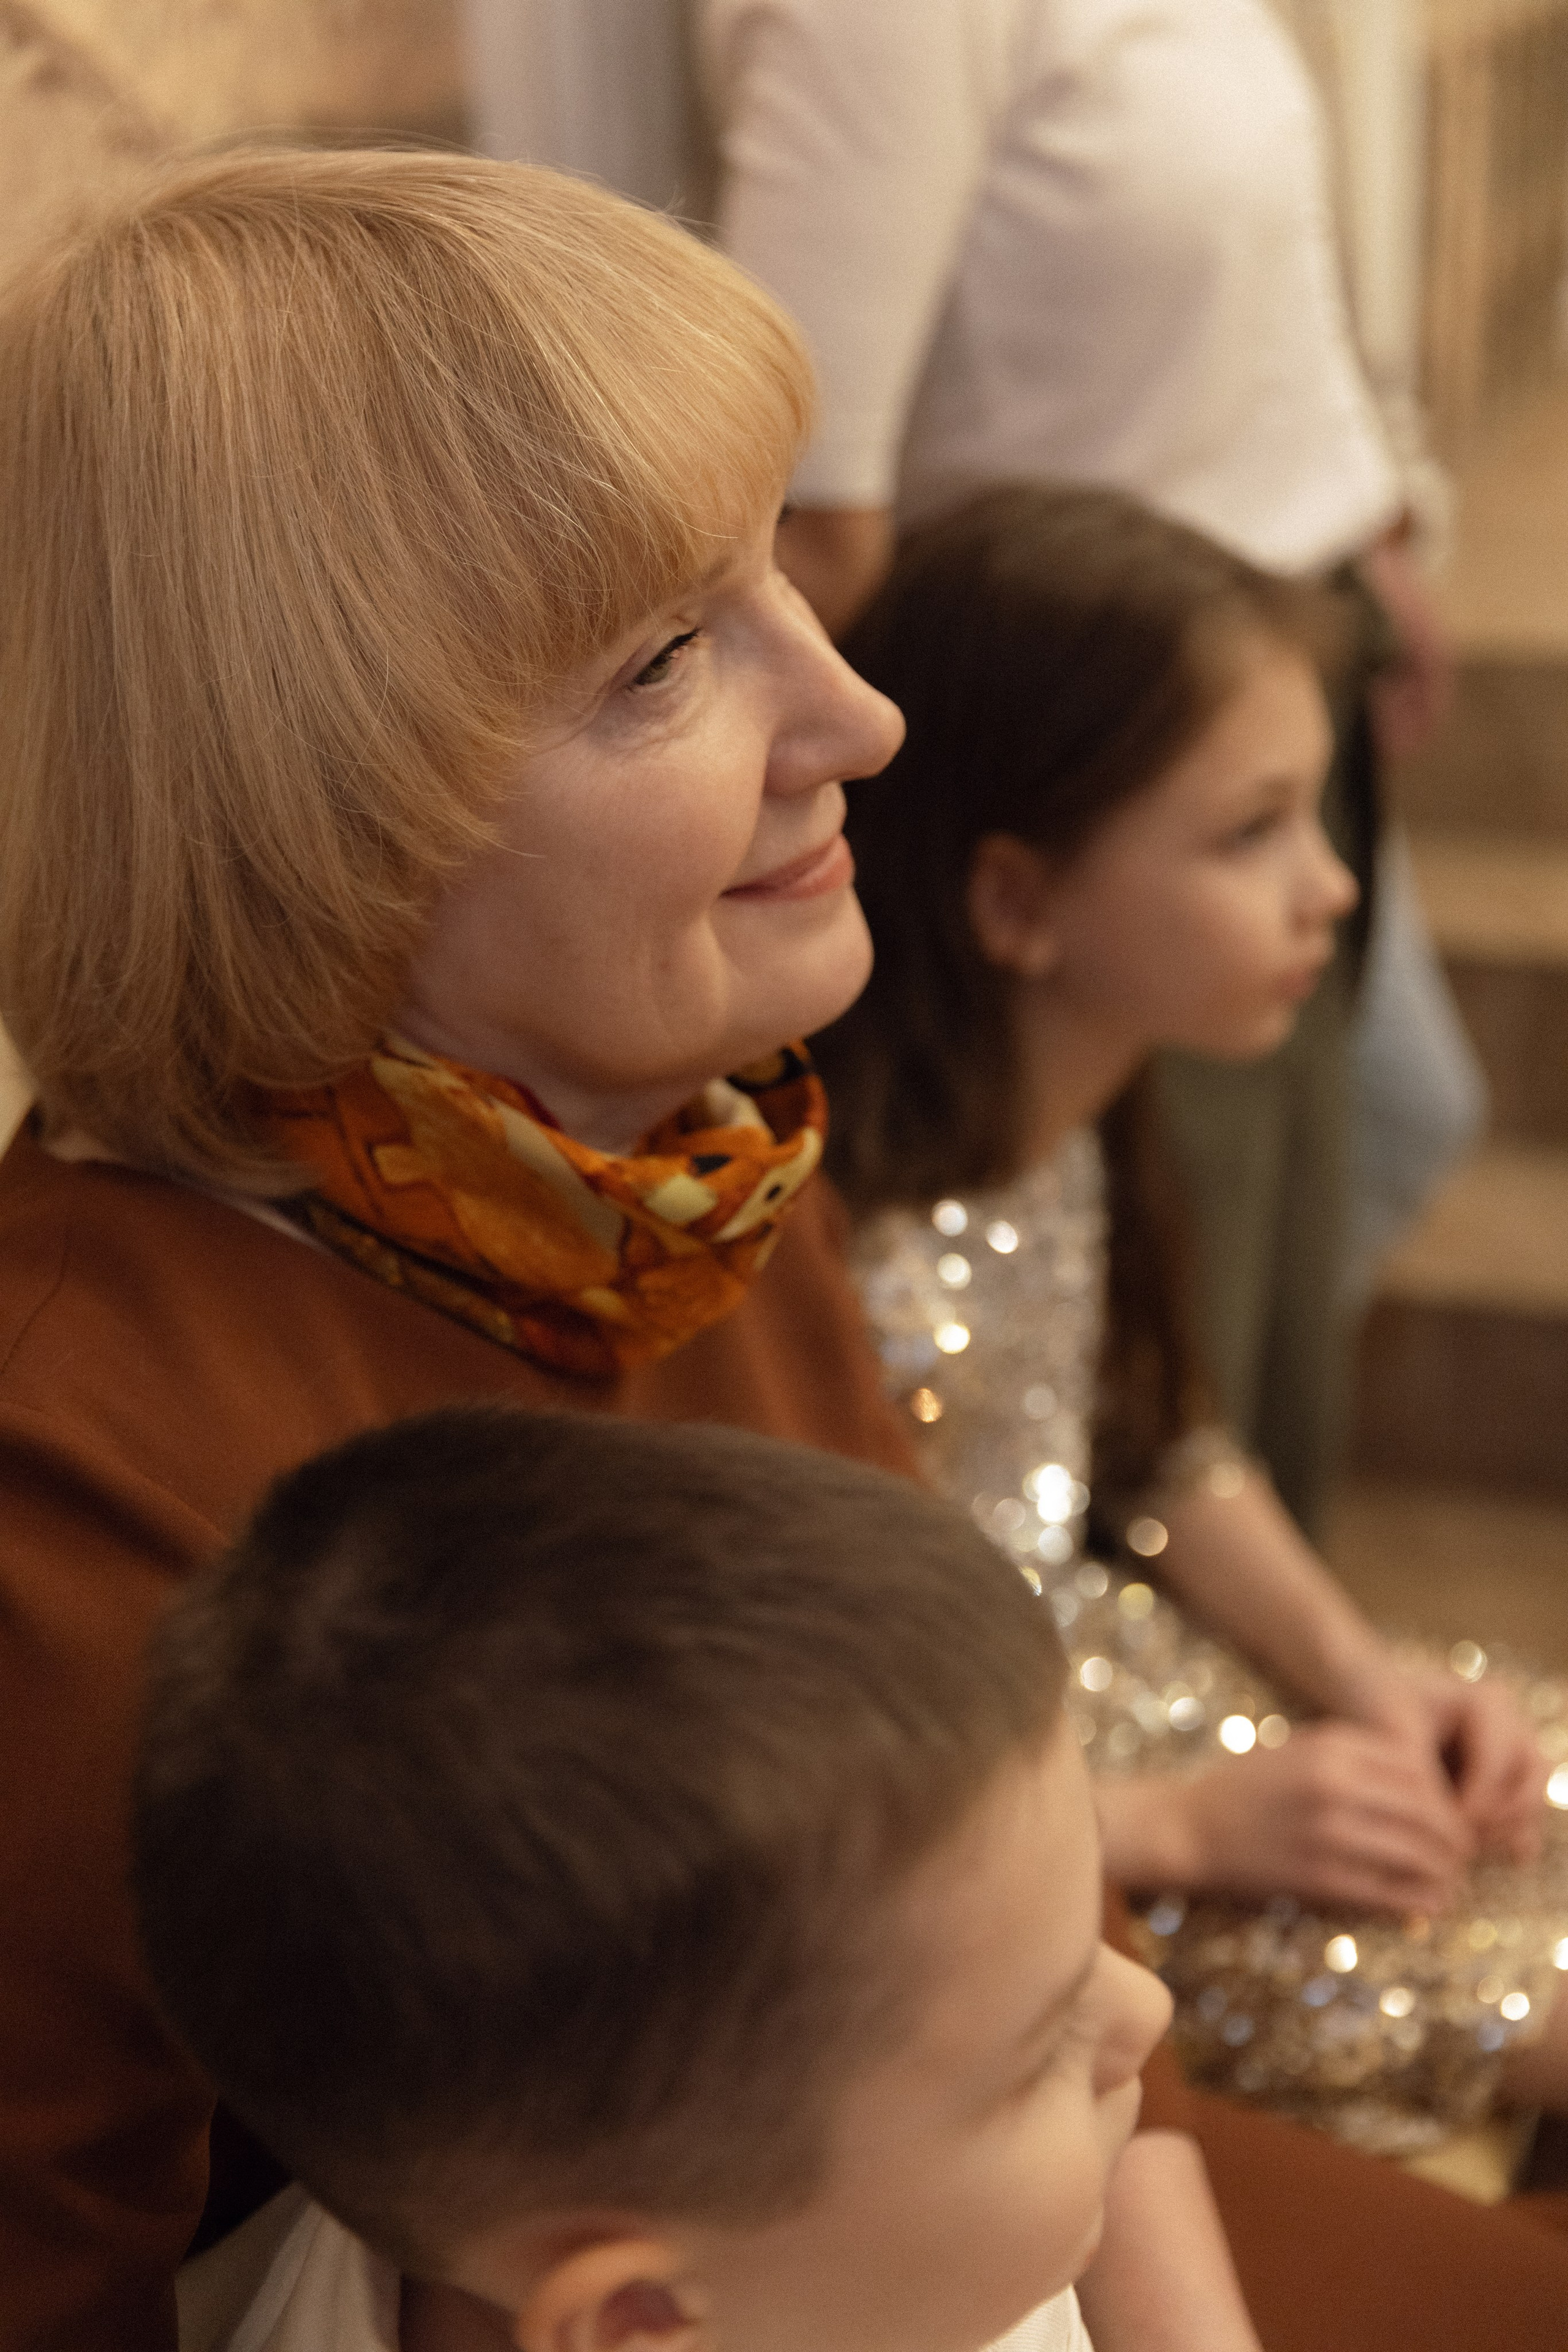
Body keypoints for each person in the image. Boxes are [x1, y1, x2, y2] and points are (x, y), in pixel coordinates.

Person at [0, 145, 910, 2348]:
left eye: (779, 569)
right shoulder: (73, 1461)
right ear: (303, 814)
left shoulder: (671, 1168)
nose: (860, 720)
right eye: (670, 657)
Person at [816, 483, 1568, 2160]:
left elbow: (1156, 1445)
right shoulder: (813, 1231)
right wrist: (1195, 1821)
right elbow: (800, 1765)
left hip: (1140, 1706)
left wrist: (1364, 1682)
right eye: (1251, 834)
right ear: (1015, 900)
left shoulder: (1088, 1111)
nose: (1332, 892)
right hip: (1016, 1830)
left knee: (1525, 1777)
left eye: (1321, 820)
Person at [699, 0, 1474, 1537]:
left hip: (1263, 675)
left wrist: (1364, 512)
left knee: (1306, 1204)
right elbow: (807, 495)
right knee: (1140, 1306)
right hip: (1107, 761)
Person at [134, 1405, 1241, 2352]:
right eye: (1037, 2054)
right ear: (641, 2318)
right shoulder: (887, 2258)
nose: (1146, 2008)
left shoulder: (844, 2253)